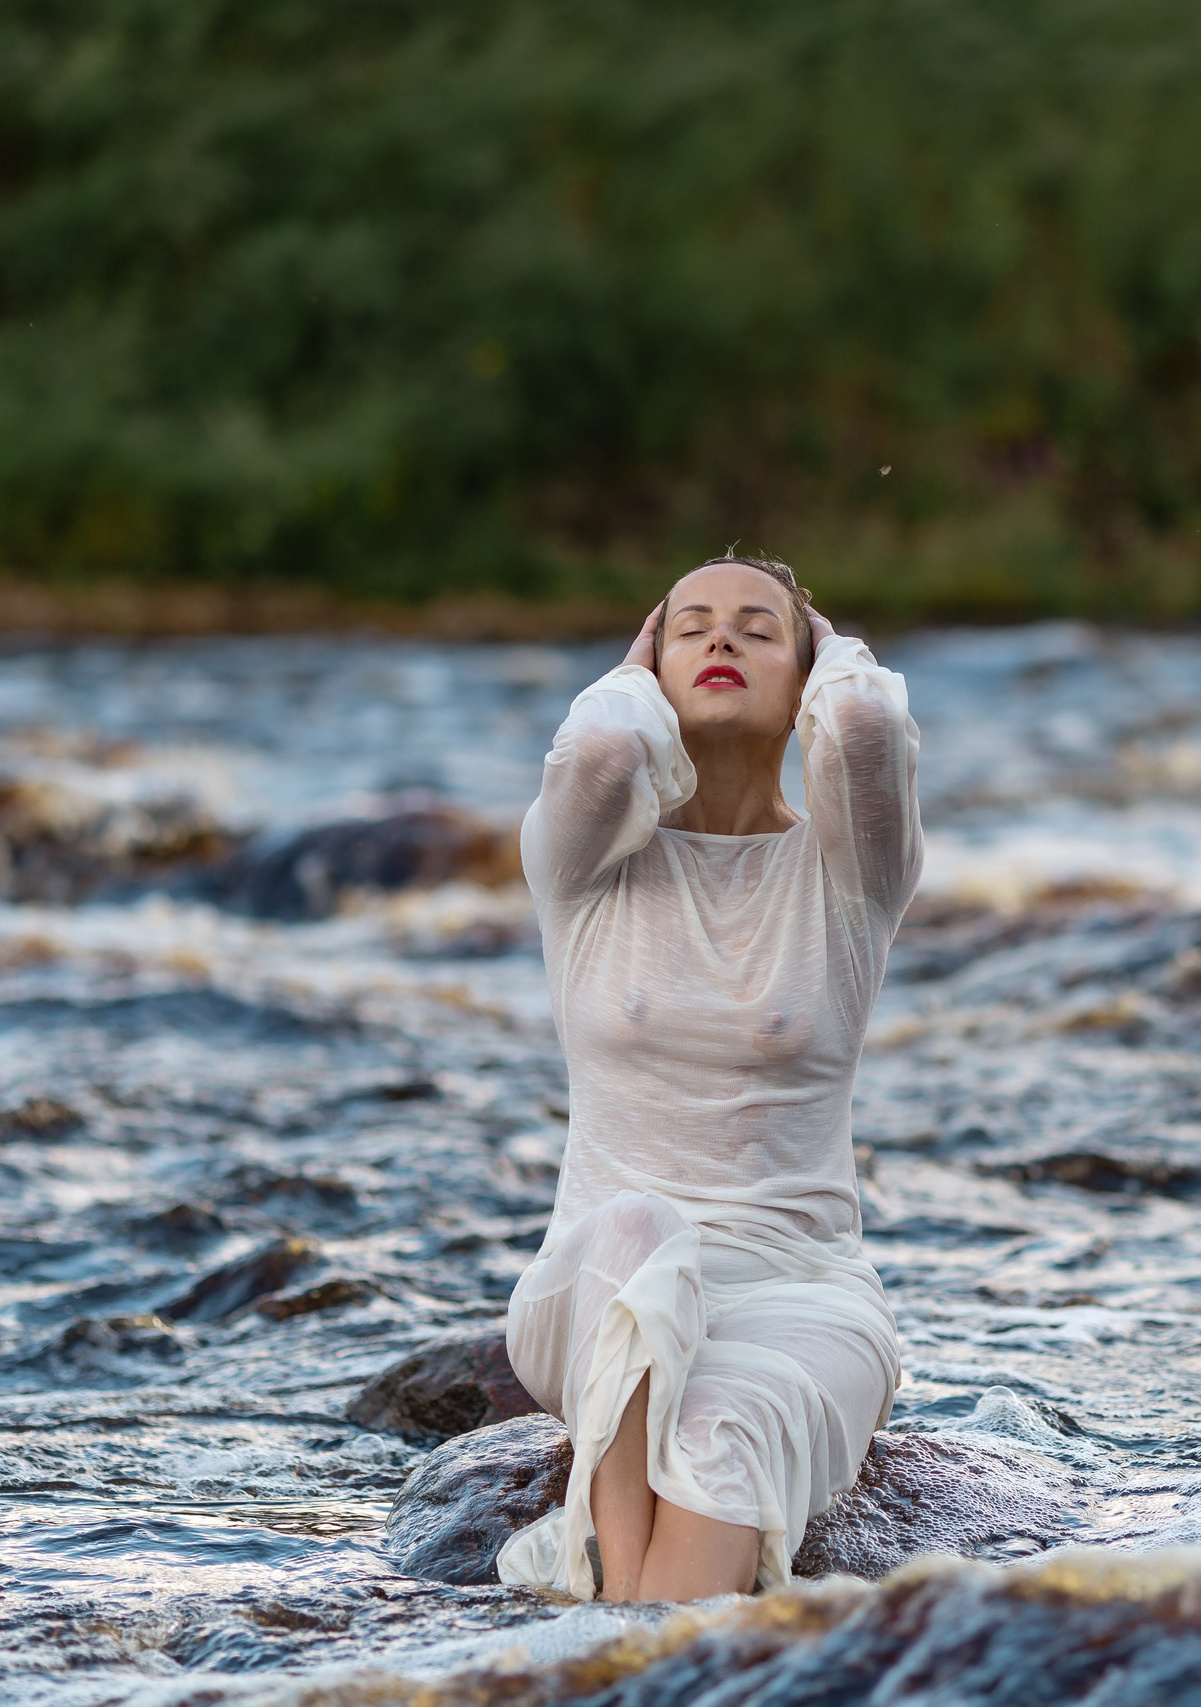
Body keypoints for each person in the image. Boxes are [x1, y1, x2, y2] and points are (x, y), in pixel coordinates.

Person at [494, 555, 921, 1602]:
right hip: (598, 1275)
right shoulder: (579, 862)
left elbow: (867, 732)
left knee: (729, 1423)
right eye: (689, 627)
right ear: (646, 664)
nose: (720, 642)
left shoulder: (854, 871)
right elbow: (597, 753)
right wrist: (628, 681)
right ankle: (629, 1611)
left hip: (796, 1287)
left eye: (756, 629)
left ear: (807, 677)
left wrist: (836, 655)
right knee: (644, 1228)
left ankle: (617, 1630)